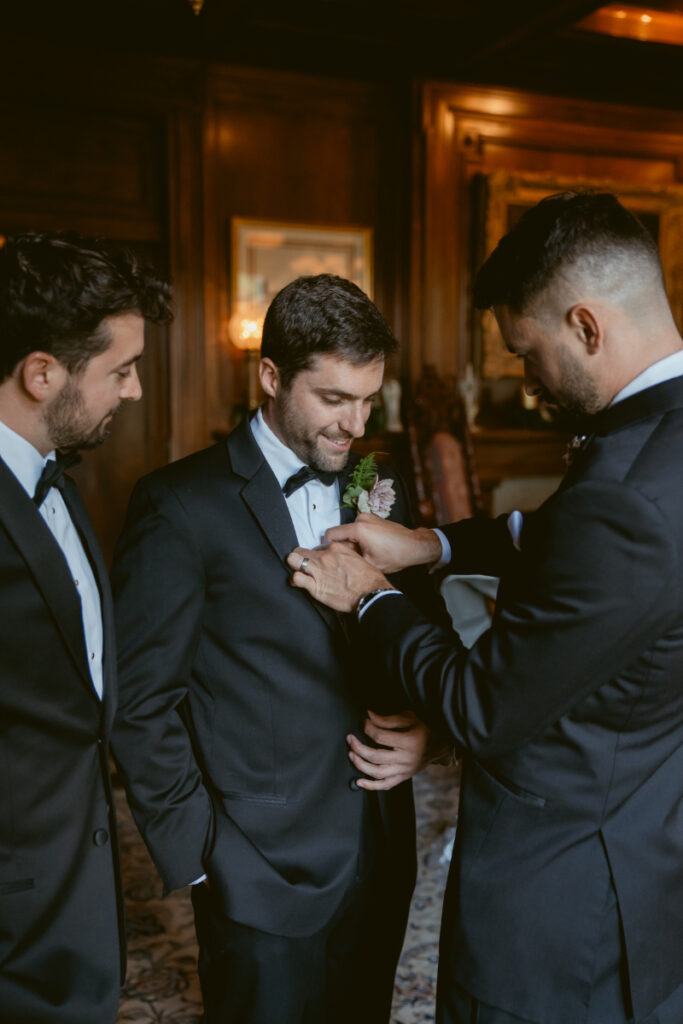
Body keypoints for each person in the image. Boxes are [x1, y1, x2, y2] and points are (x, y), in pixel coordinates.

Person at [287, 193, 683, 1024]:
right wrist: (431, 545)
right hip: (646, 833)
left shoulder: (626, 492)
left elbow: (485, 705)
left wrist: (371, 596)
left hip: (561, 905)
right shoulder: (655, 447)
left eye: (525, 351)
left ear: (584, 326)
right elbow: (556, 537)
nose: (523, 375)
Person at [110, 274, 449, 1024]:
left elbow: (422, 634)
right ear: (270, 376)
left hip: (380, 848)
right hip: (253, 864)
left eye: (368, 399)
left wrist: (430, 732)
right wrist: (201, 857)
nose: (354, 424)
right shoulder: (180, 504)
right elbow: (140, 702)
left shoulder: (376, 482)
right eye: (333, 399)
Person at [0, 231, 172, 1024]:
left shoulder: (58, 479)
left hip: (76, 879)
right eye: (121, 371)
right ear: (42, 374)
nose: (134, 391)